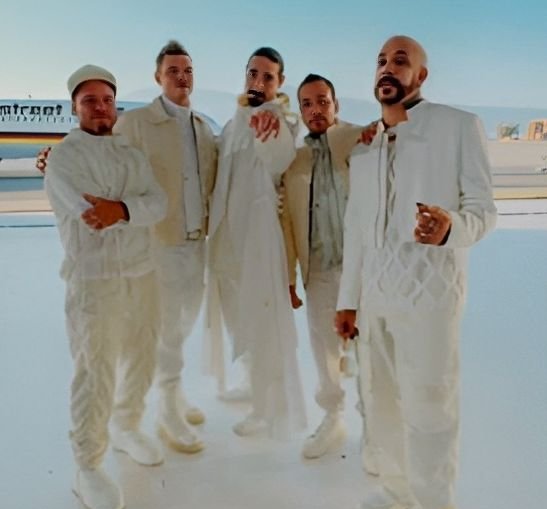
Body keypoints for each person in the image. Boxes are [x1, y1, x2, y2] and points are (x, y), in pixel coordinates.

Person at [335, 36, 497, 509]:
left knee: (430, 408)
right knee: (380, 401)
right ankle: (397, 487)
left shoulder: (457, 127)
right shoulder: (367, 147)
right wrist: (348, 300)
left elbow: (484, 210)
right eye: (381, 61)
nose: (388, 68)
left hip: (430, 300)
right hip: (376, 299)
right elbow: (356, 231)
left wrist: (451, 228)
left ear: (421, 76)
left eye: (401, 61)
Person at [45, 65, 167, 509]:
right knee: (96, 371)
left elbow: (159, 203)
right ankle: (88, 465)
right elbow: (90, 214)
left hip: (141, 275)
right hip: (94, 281)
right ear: (74, 108)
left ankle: (127, 426)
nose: (100, 107)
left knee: (142, 355)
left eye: (107, 100)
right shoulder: (64, 159)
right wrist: (127, 210)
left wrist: (123, 209)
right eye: (90, 100)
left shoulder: (133, 156)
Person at [114, 40, 217, 454]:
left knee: (182, 326)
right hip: (159, 245)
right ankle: (166, 410)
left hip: (195, 242)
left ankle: (172, 393)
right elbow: (107, 164)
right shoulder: (136, 123)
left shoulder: (203, 128)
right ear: (158, 77)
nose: (181, 77)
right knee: (165, 329)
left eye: (187, 70)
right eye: (173, 70)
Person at [207, 47, 306, 437]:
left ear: (279, 83)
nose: (258, 83)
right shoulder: (233, 124)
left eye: (268, 77)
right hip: (226, 238)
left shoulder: (281, 122)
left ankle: (270, 410)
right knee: (237, 316)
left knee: (264, 322)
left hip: (259, 238)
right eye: (253, 74)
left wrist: (270, 132)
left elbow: (280, 159)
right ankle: (252, 385)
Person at [280, 74, 377, 466]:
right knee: (325, 352)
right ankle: (333, 418)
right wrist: (289, 277)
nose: (315, 110)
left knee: (372, 350)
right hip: (318, 269)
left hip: (365, 269)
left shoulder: (360, 140)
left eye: (322, 101)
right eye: (307, 103)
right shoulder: (294, 160)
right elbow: (286, 222)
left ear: (336, 104)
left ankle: (376, 429)